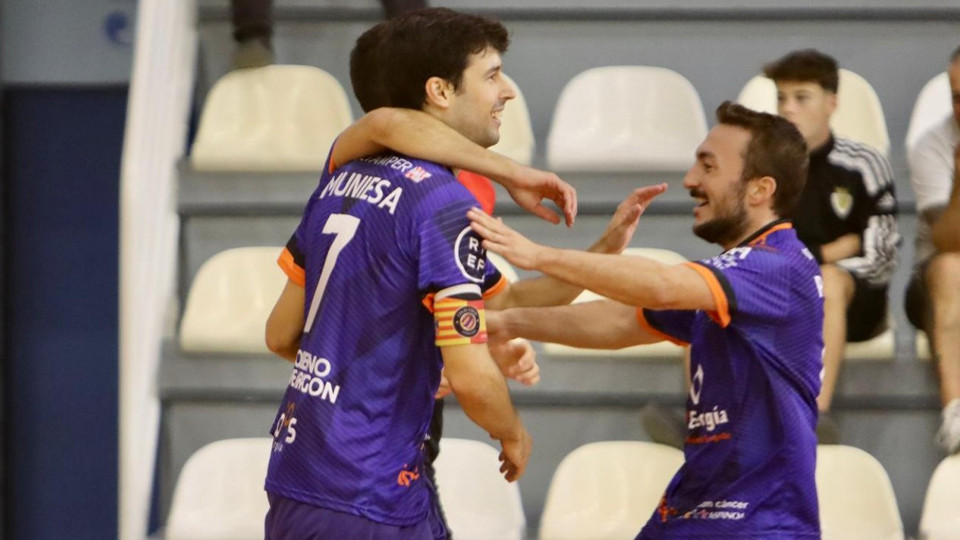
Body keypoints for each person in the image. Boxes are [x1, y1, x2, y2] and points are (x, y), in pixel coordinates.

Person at [471, 102, 823, 538]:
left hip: (760, 523)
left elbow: (661, 285)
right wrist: (507, 323)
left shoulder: (778, 266)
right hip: (692, 512)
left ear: (759, 190)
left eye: (708, 166)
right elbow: (622, 322)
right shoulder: (734, 277)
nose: (690, 180)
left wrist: (539, 255)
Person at [260, 11, 531, 538]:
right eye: (492, 75)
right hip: (370, 491)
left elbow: (279, 334)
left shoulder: (338, 180)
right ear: (439, 91)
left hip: (297, 473)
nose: (507, 91)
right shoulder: (444, 204)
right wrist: (513, 431)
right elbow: (471, 376)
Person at [764, 49, 900, 442]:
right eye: (781, 97)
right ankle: (703, 421)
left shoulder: (864, 164)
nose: (787, 109)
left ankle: (813, 416)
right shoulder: (765, 169)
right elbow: (752, 250)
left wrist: (824, 266)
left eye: (801, 98)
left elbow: (881, 259)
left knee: (828, 283)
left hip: (856, 303)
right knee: (713, 285)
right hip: (784, 287)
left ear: (832, 103)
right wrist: (828, 251)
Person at [905, 45, 960, 454]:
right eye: (957, 97)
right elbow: (947, 240)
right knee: (952, 267)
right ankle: (956, 413)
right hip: (934, 283)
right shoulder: (933, 145)